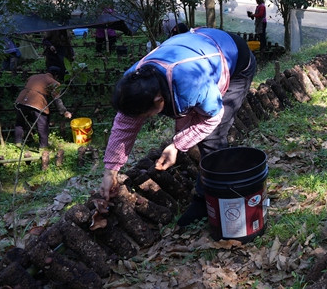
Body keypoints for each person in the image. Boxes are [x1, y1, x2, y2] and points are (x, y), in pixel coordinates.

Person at [99, 27, 257, 227]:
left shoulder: (192, 83)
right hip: (197, 50)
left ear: (158, 99)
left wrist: (177, 145)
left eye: (146, 115)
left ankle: (206, 199)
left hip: (234, 58)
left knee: (213, 137)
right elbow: (125, 125)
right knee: (189, 125)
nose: (144, 119)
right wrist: (110, 171)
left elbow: (211, 119)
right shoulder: (133, 81)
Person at [14, 67, 72, 150]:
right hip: (36, 103)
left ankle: (18, 142)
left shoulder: (33, 76)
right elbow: (56, 99)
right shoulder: (54, 82)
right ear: (56, 76)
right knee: (43, 124)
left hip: (20, 101)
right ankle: (43, 146)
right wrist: (64, 111)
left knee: (20, 122)